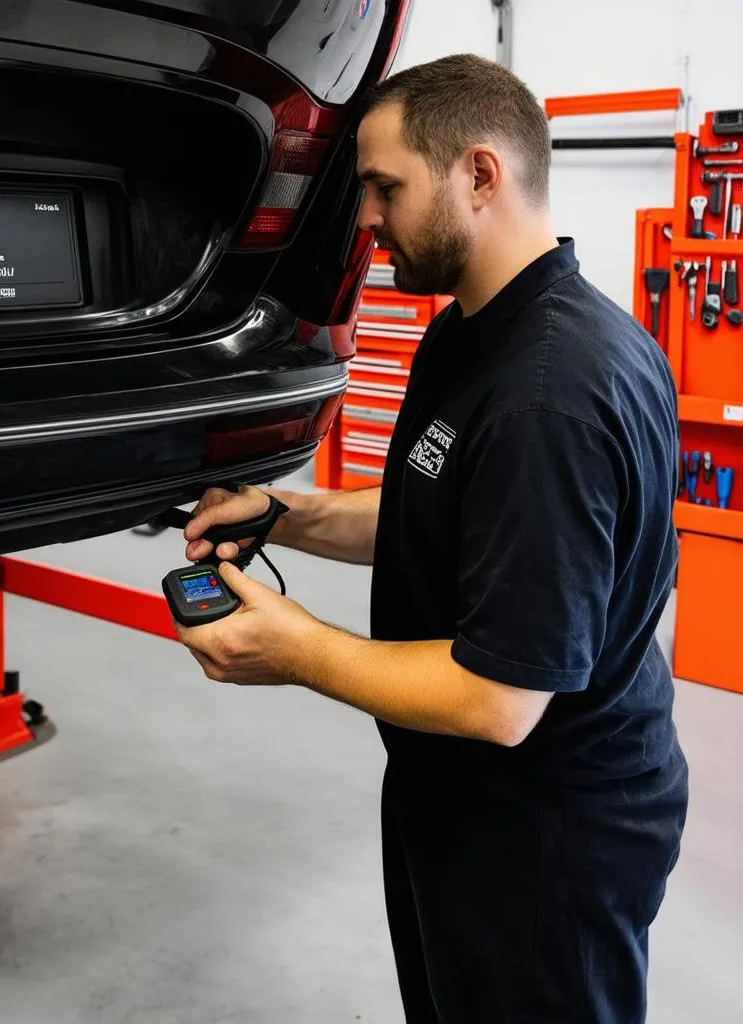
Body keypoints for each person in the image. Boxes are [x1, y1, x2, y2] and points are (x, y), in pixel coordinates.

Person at [172, 53, 688, 1024]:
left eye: (384, 187)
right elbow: (443, 510)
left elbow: (499, 700)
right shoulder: (473, 331)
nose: (364, 218)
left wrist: (295, 647)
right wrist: (286, 513)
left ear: (479, 176)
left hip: (544, 832)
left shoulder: (550, 396)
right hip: (459, 799)